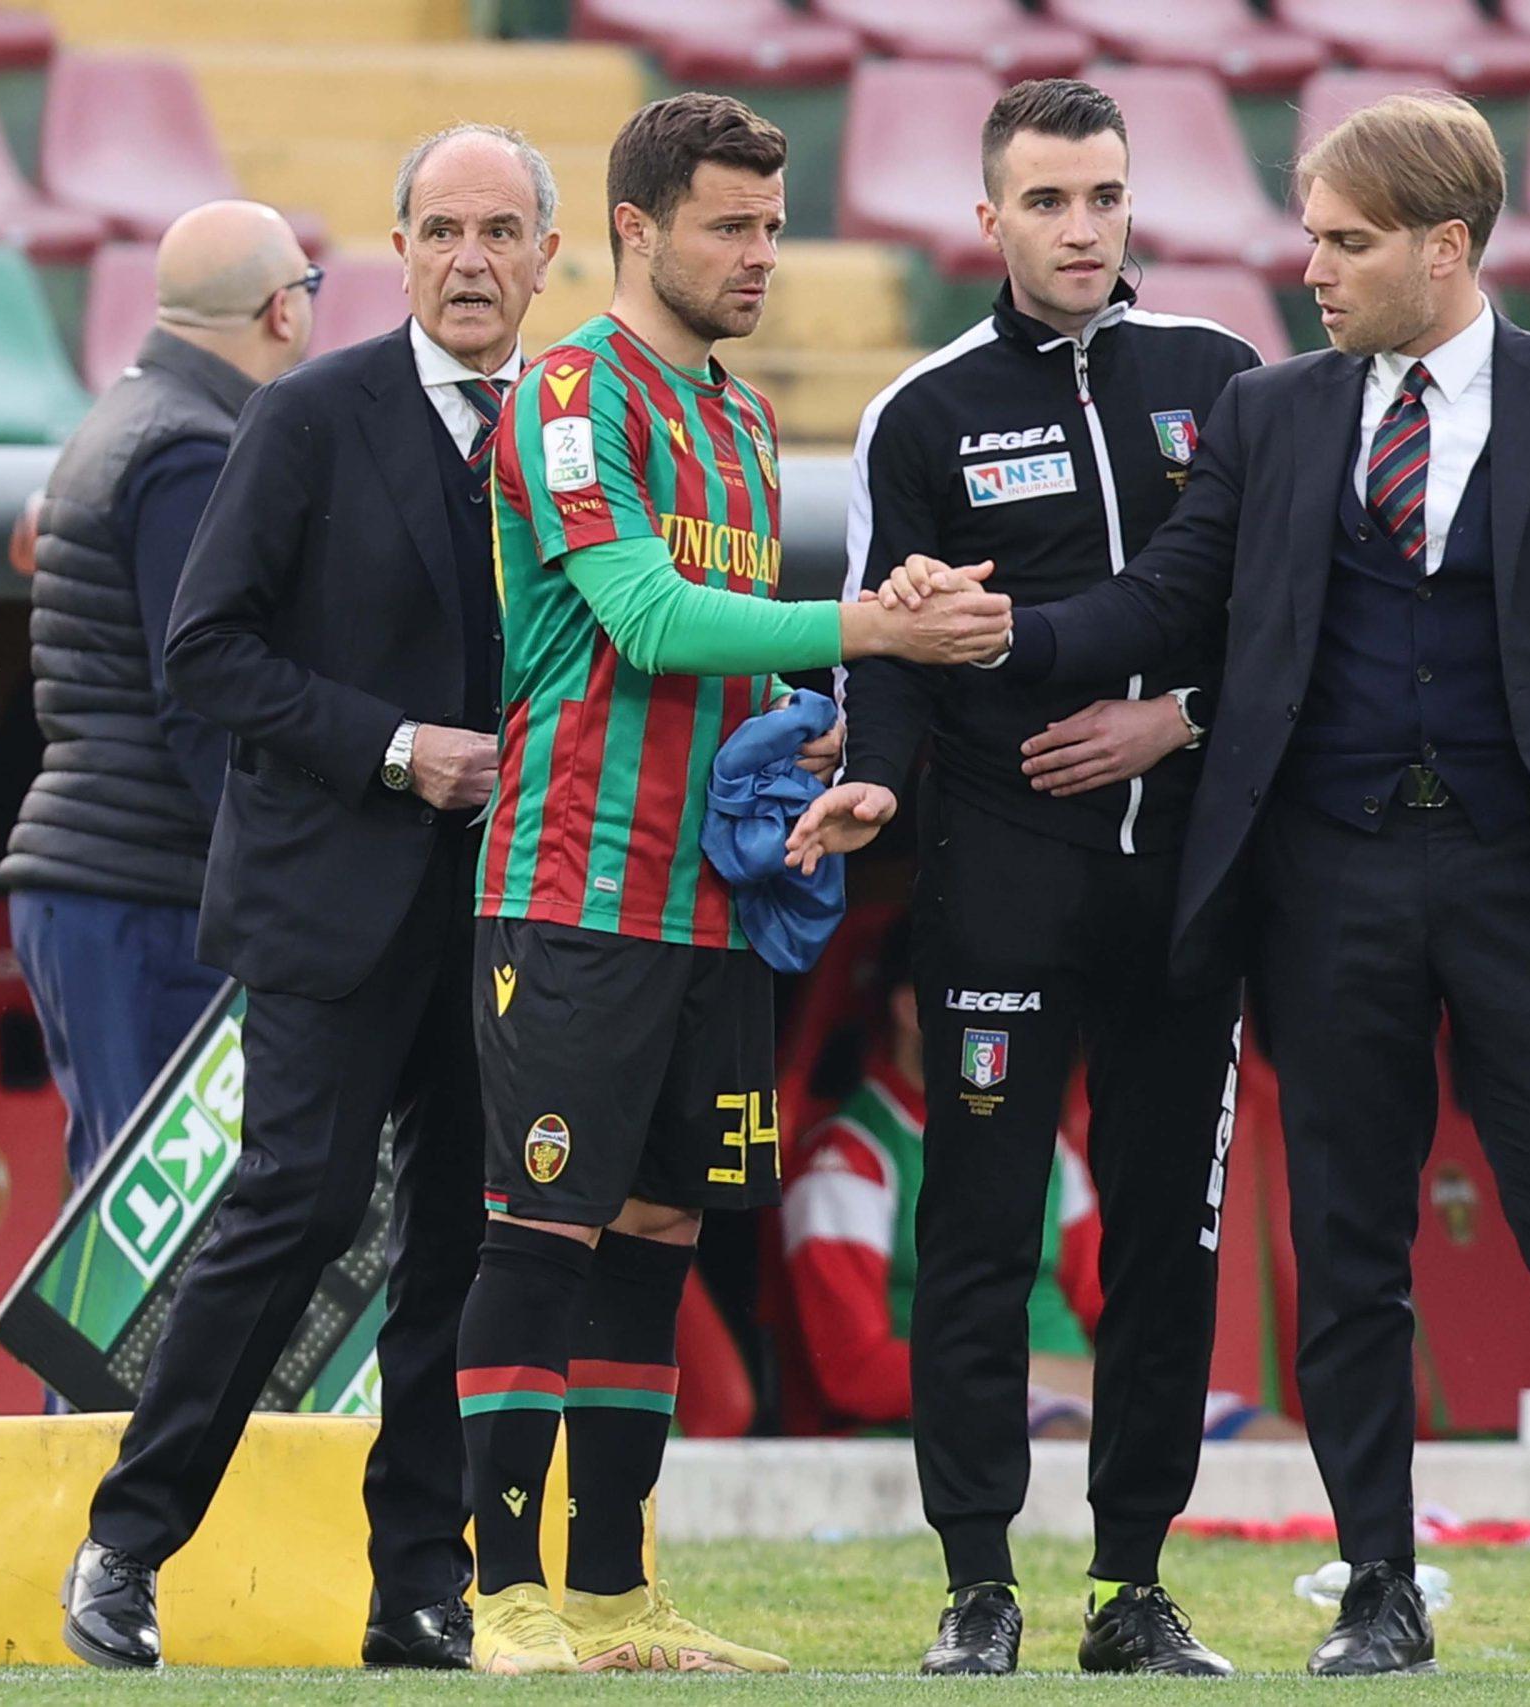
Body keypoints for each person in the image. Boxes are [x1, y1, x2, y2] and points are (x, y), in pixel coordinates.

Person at [828, 92, 1530, 1680]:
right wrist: (998, 635)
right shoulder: (1274, 410)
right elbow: (1162, 597)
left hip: (1529, 879)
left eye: (1346, 242)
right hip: (1331, 878)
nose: (1314, 267)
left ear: (1446, 245)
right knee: (1350, 1243)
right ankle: (1375, 1581)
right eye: (1310, 236)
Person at [449, 93, 1010, 1675]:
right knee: (538, 1230)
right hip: (570, 887)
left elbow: (725, 678)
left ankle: (618, 1593)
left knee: (654, 1236)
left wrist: (820, 750)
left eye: (773, 224)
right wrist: (867, 634)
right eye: (729, 225)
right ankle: (499, 1595)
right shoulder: (571, 392)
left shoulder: (749, 422)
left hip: (710, 903)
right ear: (636, 227)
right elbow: (643, 616)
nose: (762, 254)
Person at [59, 124, 561, 1673]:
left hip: (509, 913)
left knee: (465, 1245)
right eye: (440, 231)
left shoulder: (573, 422)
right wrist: (397, 749)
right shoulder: (307, 418)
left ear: (548, 254)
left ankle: (421, 1583)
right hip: (332, 891)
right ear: (394, 253)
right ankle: (126, 1544)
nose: (470, 260)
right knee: (300, 1201)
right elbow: (201, 652)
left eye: (499, 231)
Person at [803, 78, 1261, 1678]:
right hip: (1004, 877)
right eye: (1049, 203)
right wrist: (871, 767)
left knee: (1164, 1242)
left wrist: (1174, 719)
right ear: (988, 221)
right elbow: (891, 630)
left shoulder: (1225, 380)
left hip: (1193, 884)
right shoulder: (920, 412)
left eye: (1106, 197)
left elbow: (1276, 628)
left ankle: (1131, 1584)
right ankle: (978, 1582)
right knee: (984, 1232)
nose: (1082, 229)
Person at [0, 201, 314, 1183]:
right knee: (156, 1240)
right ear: (280, 312)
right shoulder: (189, 447)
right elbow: (203, 693)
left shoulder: (127, 419)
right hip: (145, 893)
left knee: (124, 1216)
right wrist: (283, 878)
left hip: (103, 886)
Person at [783, 923, 1297, 1448]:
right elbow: (852, 1372)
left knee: (1278, 1447)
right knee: (1074, 1447)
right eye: (984, 1004)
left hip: (1086, 1395)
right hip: (958, 1416)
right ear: (911, 1009)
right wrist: (1041, 1378)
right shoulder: (849, 1161)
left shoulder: (1040, 1146)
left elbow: (1113, 1304)